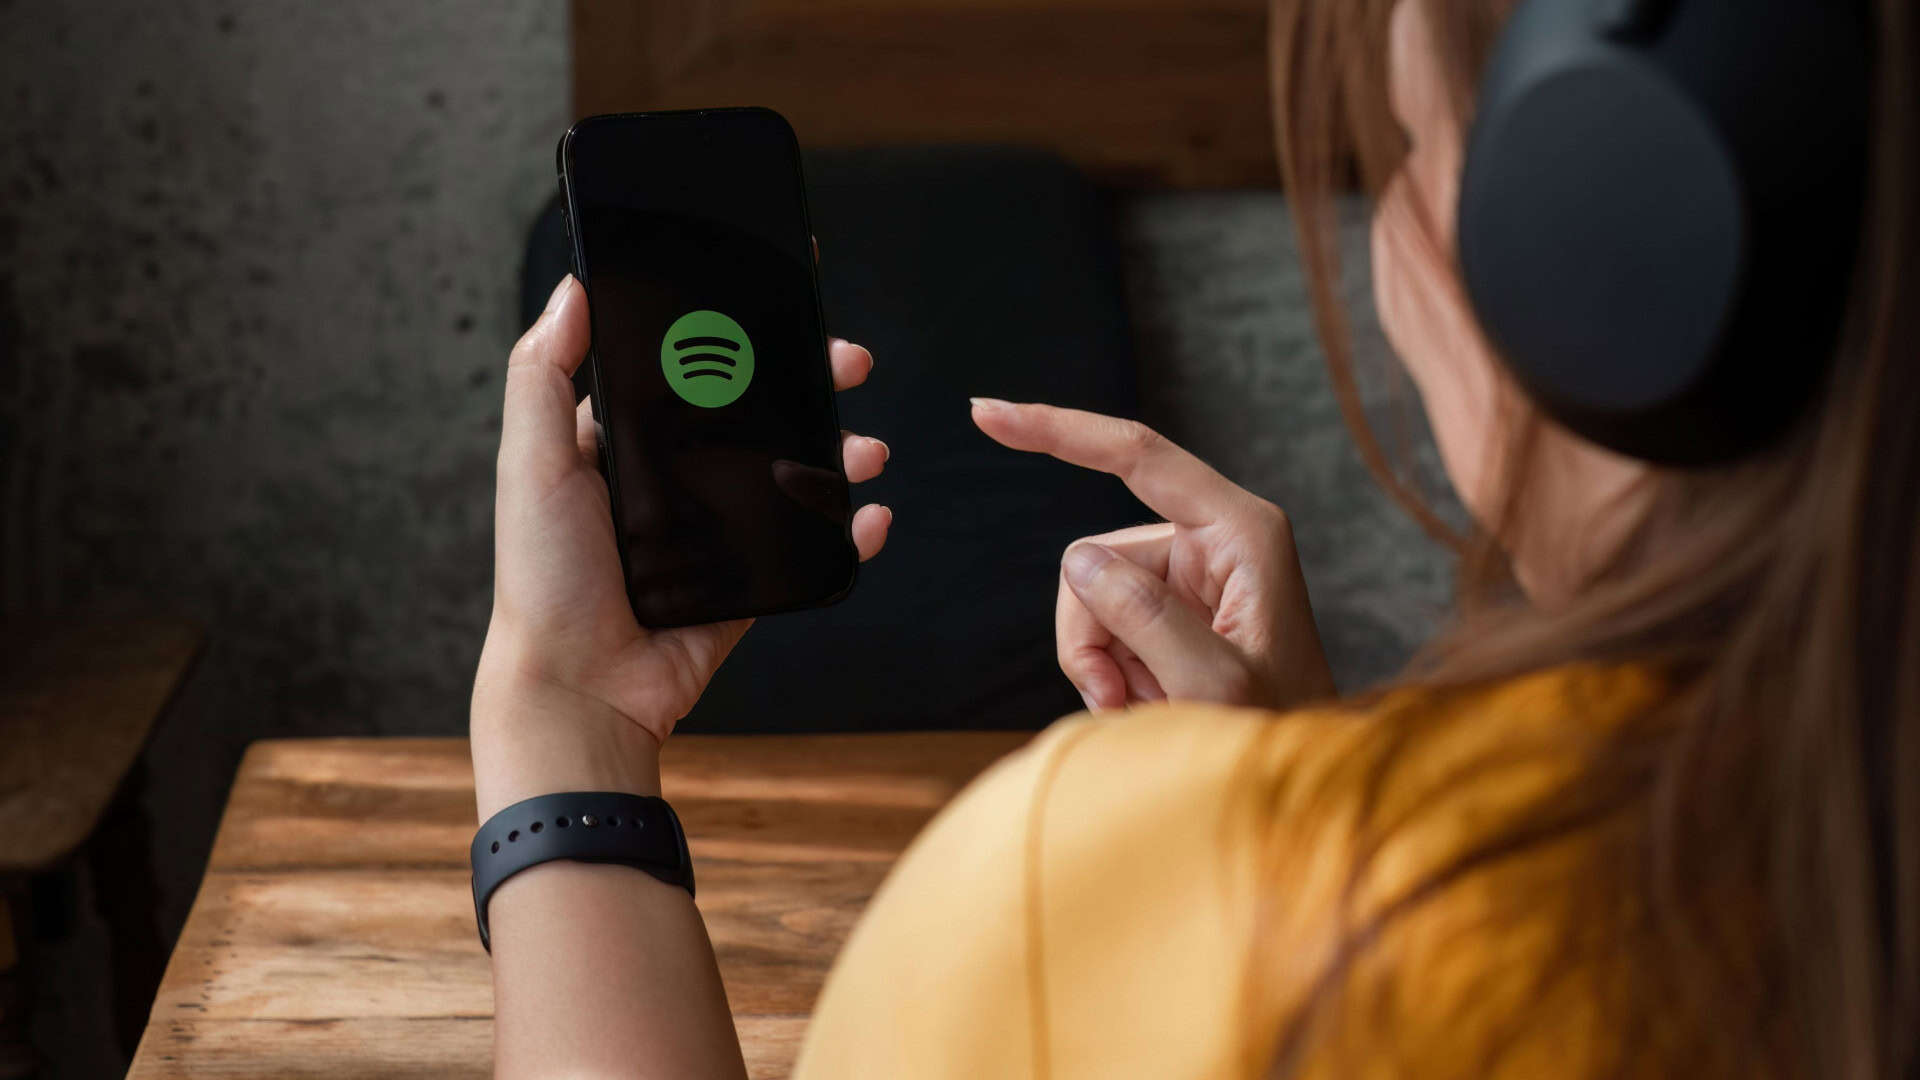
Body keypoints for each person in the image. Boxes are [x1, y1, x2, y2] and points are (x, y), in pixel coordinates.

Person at [470, 0, 1918, 1076]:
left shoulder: (1093, 879)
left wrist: (562, 730)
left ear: (1608, 244)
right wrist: (1317, 783)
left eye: (1413, 148)